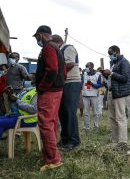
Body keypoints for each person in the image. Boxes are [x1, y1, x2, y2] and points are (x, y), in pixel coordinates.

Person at [33, 25, 65, 171]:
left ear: (41, 35)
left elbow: (52, 70)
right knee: (50, 123)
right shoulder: (56, 47)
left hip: (49, 92)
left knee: (46, 124)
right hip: (55, 90)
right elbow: (63, 71)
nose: (37, 40)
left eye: (37, 37)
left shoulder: (48, 47)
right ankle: (51, 155)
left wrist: (42, 87)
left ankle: (53, 160)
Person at [51, 35, 81, 151]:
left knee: (69, 112)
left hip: (72, 83)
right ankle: (65, 139)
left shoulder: (68, 48)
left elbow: (70, 64)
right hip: (64, 83)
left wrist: (56, 72)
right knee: (62, 112)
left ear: (57, 42)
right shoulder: (60, 50)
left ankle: (73, 140)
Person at [102, 45, 130, 152]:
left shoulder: (124, 62)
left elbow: (125, 78)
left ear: (117, 52)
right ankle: (115, 141)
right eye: (109, 54)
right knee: (112, 118)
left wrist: (112, 73)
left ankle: (122, 142)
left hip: (120, 93)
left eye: (111, 53)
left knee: (120, 118)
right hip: (111, 92)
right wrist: (105, 74)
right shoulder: (113, 64)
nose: (110, 56)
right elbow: (112, 78)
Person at [82, 62, 102, 131]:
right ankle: (86, 128)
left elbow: (99, 85)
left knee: (95, 112)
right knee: (86, 113)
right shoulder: (84, 74)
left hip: (94, 95)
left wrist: (92, 84)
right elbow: (81, 83)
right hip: (85, 95)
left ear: (92, 66)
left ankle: (96, 127)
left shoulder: (97, 74)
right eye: (86, 66)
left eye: (88, 66)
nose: (87, 68)